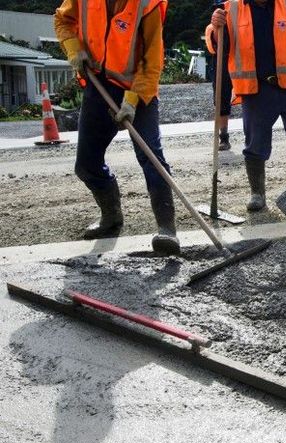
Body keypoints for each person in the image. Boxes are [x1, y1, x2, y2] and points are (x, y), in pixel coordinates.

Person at [55, 0, 180, 255]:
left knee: (151, 156)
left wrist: (132, 101)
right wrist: (73, 49)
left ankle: (167, 229)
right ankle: (111, 217)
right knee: (86, 164)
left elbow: (152, 58)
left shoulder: (148, 4)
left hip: (138, 88)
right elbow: (63, 20)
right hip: (98, 83)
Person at [210, 0, 286, 212]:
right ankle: (257, 194)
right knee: (255, 144)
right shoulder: (230, 9)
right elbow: (218, 46)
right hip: (256, 91)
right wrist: (216, 27)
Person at [205, 0, 233, 151]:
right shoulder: (217, 12)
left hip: (243, 57)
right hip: (222, 58)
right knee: (220, 98)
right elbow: (214, 42)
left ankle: (255, 137)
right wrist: (217, 26)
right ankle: (224, 137)